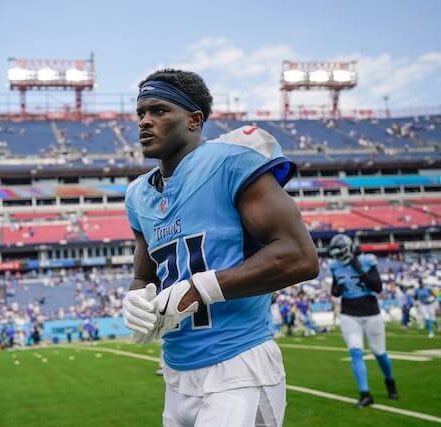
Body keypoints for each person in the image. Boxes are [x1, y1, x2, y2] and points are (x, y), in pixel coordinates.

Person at [122, 69, 319, 427]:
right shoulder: (137, 195)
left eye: (159, 110)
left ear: (194, 120)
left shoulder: (231, 161)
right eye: (141, 113)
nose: (145, 121)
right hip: (176, 372)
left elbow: (299, 256)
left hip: (238, 365)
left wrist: (200, 289)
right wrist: (136, 300)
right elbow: (144, 276)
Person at [328, 234, 398, 407]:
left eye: (341, 253)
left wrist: (358, 269)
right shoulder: (335, 266)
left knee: (379, 352)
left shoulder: (367, 260)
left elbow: (377, 287)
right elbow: (335, 291)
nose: (339, 257)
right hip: (349, 313)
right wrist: (338, 288)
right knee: (355, 351)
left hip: (370, 311)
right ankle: (365, 394)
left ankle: (390, 381)